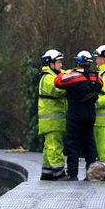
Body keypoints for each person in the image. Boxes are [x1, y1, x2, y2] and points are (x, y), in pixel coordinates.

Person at [54, 51, 102, 180]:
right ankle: (91, 173)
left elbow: (57, 81)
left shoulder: (73, 76)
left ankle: (73, 174)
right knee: (89, 144)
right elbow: (101, 86)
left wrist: (67, 72)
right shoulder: (97, 77)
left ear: (79, 62)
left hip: (75, 113)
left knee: (73, 143)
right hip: (90, 113)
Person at [37, 49, 67, 180]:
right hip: (51, 121)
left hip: (52, 121)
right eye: (59, 62)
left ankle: (47, 172)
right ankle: (58, 173)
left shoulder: (52, 76)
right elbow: (60, 91)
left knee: (48, 146)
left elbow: (64, 75)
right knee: (55, 146)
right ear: (51, 64)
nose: (61, 66)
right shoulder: (48, 78)